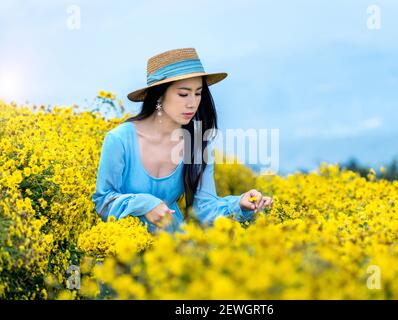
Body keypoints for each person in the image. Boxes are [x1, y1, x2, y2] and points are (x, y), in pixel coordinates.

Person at [92, 47, 272, 234]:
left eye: (198, 93)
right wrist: (144, 205)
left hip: (175, 249)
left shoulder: (196, 144)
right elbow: (103, 202)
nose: (192, 103)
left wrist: (240, 204)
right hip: (121, 248)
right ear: (159, 95)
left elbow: (204, 210)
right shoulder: (119, 140)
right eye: (183, 94)